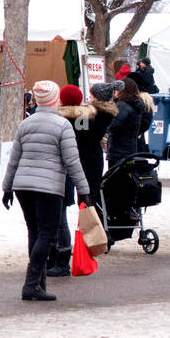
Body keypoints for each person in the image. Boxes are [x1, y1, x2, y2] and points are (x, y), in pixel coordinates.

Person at [1, 80, 91, 301]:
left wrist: (7, 188)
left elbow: (14, 160)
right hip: (48, 187)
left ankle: (38, 284)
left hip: (23, 186)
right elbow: (72, 161)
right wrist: (84, 190)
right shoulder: (62, 126)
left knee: (34, 232)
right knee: (47, 234)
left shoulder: (25, 124)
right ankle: (31, 284)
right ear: (54, 99)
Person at [50, 83, 113, 277]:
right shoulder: (88, 114)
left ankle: (64, 252)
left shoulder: (61, 117)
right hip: (90, 158)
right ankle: (96, 236)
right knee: (88, 200)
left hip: (72, 161)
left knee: (66, 207)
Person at [107, 77, 152, 169]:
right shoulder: (135, 105)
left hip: (119, 152)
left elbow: (112, 126)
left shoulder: (122, 106)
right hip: (130, 150)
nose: (115, 91)